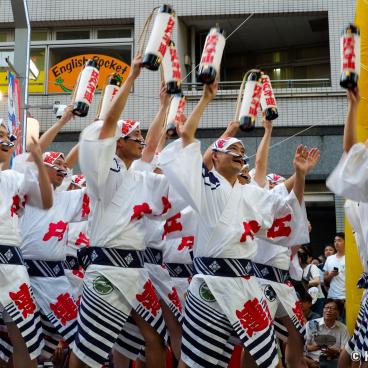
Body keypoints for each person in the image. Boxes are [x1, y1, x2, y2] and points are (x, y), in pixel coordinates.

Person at [158, 79, 309, 368]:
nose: (241, 154)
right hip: (209, 284)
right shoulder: (203, 185)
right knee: (195, 362)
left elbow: (286, 212)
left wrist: (299, 176)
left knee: (268, 357)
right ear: (215, 157)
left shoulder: (251, 193)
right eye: (234, 150)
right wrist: (205, 98)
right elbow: (187, 137)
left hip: (246, 283)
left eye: (243, 151)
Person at [69, 54, 173, 368]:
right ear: (117, 143)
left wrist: (165, 106)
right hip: (106, 267)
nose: (141, 141)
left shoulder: (137, 175)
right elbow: (109, 125)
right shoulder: (103, 172)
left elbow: (153, 145)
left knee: (155, 337)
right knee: (88, 347)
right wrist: (132, 78)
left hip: (136, 270)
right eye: (134, 137)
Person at [0, 121, 53, 368]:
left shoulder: (12, 178)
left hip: (11, 263)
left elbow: (45, 201)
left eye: (5, 136)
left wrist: (39, 162)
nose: (4, 141)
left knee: (23, 337)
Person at [325, 87, 368, 367]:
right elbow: (352, 150)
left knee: (354, 352)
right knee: (357, 355)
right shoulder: (360, 198)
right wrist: (353, 107)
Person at [304, 299, 349, 368]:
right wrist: (312, 348)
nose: (328, 310)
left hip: (333, 360)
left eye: (332, 308)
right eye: (326, 308)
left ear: (338, 313)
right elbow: (303, 347)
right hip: (312, 360)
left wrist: (334, 351)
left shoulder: (343, 328)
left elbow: (345, 351)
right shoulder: (312, 324)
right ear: (323, 309)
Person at [298, 247, 325, 316]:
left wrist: (304, 283)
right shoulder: (296, 270)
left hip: (317, 298)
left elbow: (317, 281)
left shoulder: (312, 267)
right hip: (306, 301)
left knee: (317, 320)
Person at [323, 234, 346, 304]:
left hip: (345, 297)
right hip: (332, 296)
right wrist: (331, 275)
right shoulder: (329, 259)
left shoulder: (350, 258)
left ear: (345, 242)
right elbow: (324, 279)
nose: (336, 243)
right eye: (335, 241)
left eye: (339, 240)